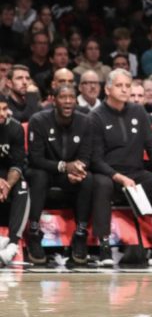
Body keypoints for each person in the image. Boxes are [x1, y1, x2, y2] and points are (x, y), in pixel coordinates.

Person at [89, 69, 152, 267]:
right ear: (108, 88)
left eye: (127, 86)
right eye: (119, 86)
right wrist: (118, 177)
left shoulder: (138, 112)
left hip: (136, 173)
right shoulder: (96, 116)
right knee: (102, 184)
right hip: (109, 174)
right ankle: (104, 245)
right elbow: (95, 159)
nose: (124, 90)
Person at [25, 84, 93, 265]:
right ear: (54, 100)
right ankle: (33, 233)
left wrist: (78, 169)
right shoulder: (38, 120)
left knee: (88, 179)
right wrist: (65, 167)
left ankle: (80, 234)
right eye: (63, 97)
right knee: (39, 175)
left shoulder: (85, 121)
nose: (68, 101)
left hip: (68, 173)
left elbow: (86, 156)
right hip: (44, 169)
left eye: (72, 97)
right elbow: (35, 158)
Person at [0, 94, 29, 266]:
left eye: (4, 109)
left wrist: (7, 185)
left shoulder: (15, 128)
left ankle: (12, 243)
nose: (2, 113)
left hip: (8, 174)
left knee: (23, 185)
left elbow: (18, 164)